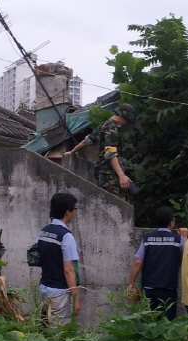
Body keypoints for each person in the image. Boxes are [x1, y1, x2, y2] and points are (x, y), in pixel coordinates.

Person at [127, 206, 188, 320]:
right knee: (167, 324)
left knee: (148, 322)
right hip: (168, 289)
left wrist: (131, 283)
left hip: (149, 289)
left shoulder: (147, 239)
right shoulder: (177, 240)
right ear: (171, 222)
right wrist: (184, 237)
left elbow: (138, 262)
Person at [65, 103, 137, 197]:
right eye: (127, 121)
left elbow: (85, 141)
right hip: (109, 175)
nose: (126, 123)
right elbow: (110, 153)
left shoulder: (104, 125)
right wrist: (121, 176)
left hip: (103, 173)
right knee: (112, 202)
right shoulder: (112, 129)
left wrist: (72, 151)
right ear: (123, 117)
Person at [37, 193, 81, 326]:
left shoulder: (43, 231)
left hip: (44, 288)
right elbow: (69, 270)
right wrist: (75, 299)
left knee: (44, 327)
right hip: (59, 293)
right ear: (67, 212)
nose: (74, 213)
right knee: (59, 332)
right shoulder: (66, 236)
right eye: (74, 209)